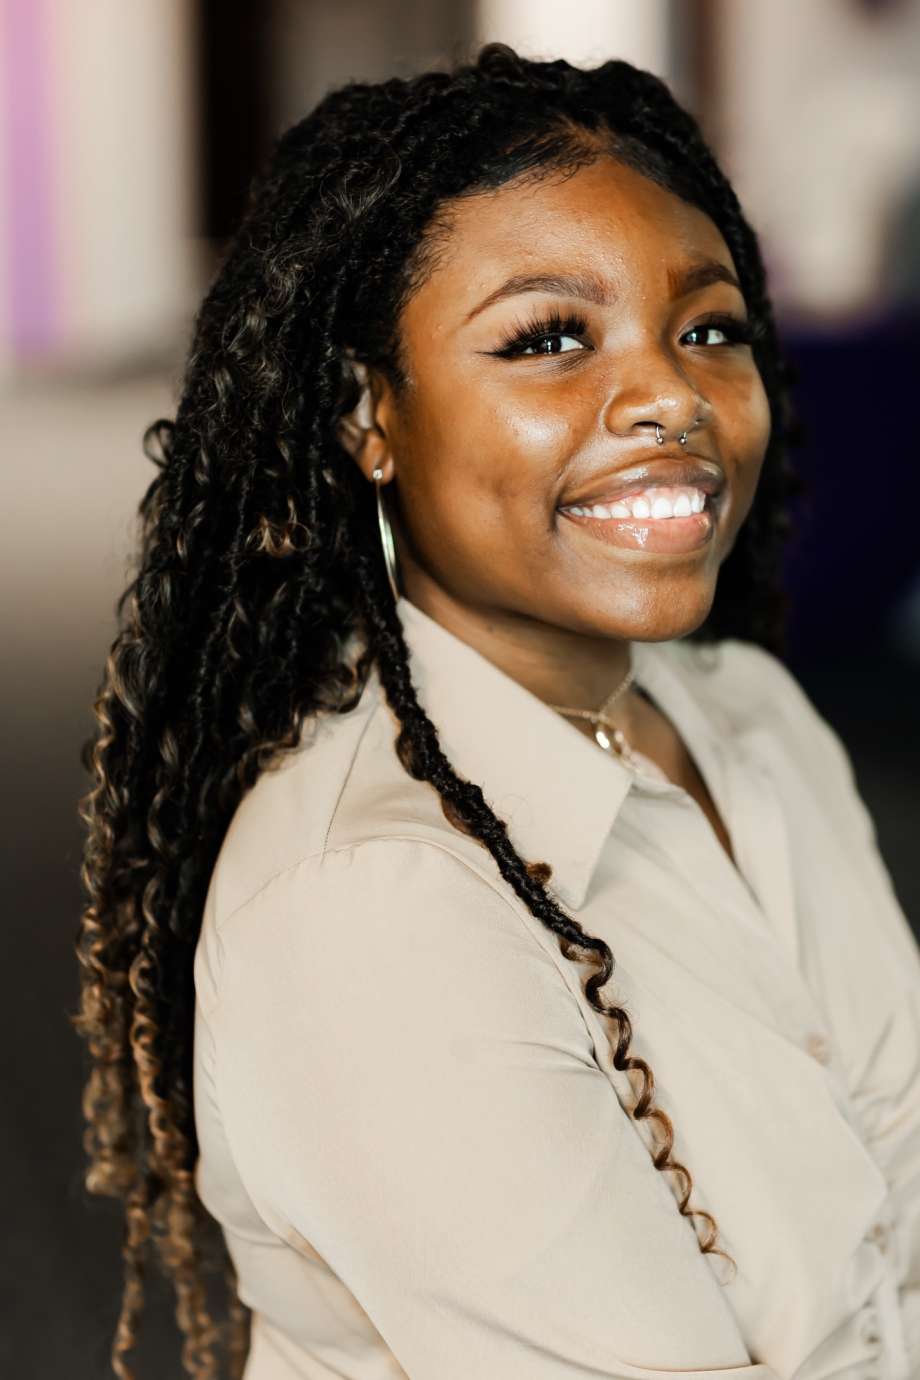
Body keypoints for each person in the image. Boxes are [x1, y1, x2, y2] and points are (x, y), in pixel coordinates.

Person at [73, 42, 920, 1380]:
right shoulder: (374, 899)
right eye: (547, 338)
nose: (672, 399)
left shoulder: (748, 710)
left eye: (707, 327)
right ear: (371, 413)